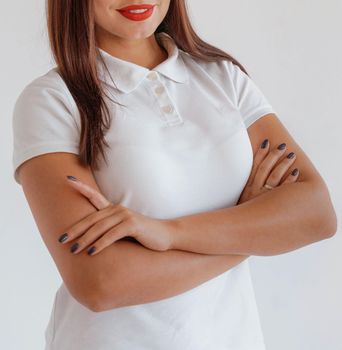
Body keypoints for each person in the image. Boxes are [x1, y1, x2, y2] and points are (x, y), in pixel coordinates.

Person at [12, 1, 337, 349]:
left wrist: (168, 234)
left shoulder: (222, 76)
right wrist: (254, 230)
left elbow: (317, 213)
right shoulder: (52, 101)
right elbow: (100, 283)